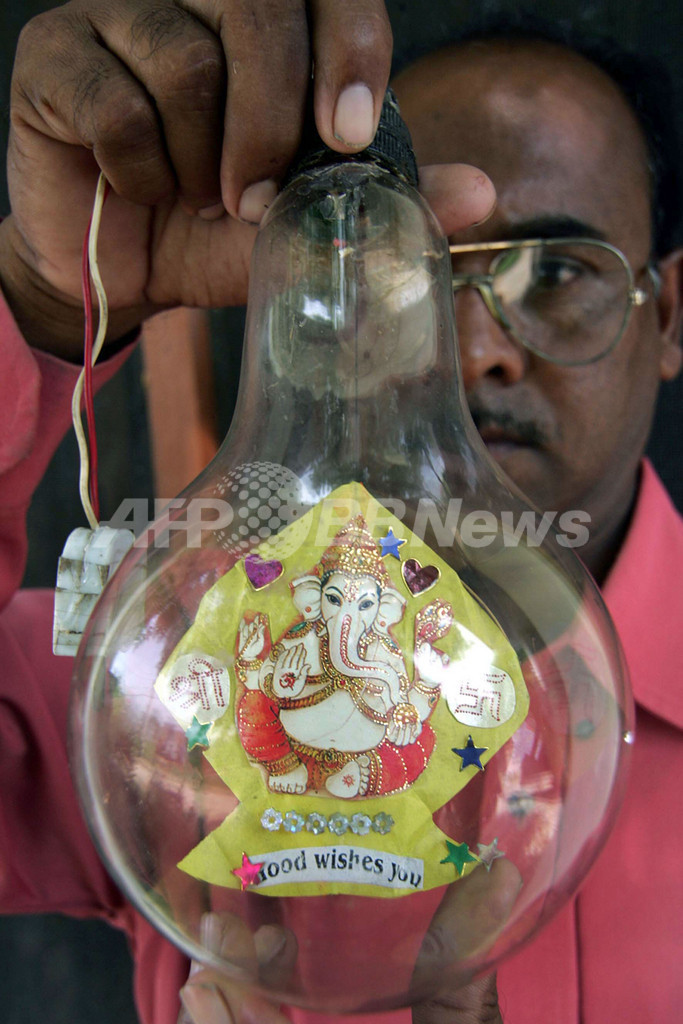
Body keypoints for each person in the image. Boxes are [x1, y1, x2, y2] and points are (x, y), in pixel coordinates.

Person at [0, 3, 681, 1023]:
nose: (470, 346)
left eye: (556, 272)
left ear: (665, 313)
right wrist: (41, 300)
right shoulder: (163, 666)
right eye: (404, 276)